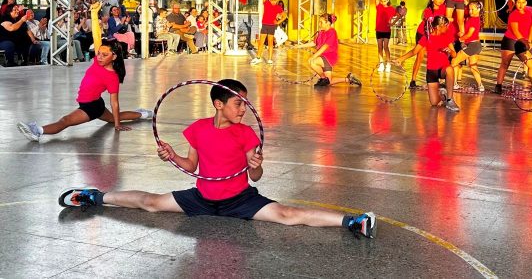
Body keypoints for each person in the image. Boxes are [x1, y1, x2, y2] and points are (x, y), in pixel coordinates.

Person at [58, 79, 377, 239]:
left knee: (288, 214)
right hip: (202, 197)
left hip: (240, 199)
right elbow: (191, 167)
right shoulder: (197, 129)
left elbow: (256, 177)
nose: (243, 109)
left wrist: (256, 166)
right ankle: (93, 195)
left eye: (245, 105)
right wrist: (172, 157)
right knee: (150, 202)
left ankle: (353, 221)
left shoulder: (246, 134)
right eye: (238, 104)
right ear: (218, 104)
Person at [16, 1, 152, 142]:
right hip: (96, 102)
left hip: (91, 106)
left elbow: (115, 102)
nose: (99, 57)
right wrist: (93, 13)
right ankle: (143, 114)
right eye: (99, 53)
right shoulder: (98, 62)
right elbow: (96, 34)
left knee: (65, 121)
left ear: (114, 57)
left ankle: (37, 131)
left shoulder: (112, 77)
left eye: (104, 55)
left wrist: (118, 125)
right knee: (112, 118)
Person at [395, 15, 459, 112]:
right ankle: (444, 96)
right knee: (434, 103)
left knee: (450, 69)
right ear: (438, 27)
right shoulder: (427, 38)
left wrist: (450, 51)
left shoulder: (447, 37)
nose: (447, 27)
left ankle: (450, 100)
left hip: (443, 69)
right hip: (431, 71)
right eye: (445, 25)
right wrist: (400, 59)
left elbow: (454, 55)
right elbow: (414, 51)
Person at [295, 14, 361, 87]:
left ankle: (323, 78)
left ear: (328, 23)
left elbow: (325, 47)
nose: (319, 24)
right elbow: (314, 43)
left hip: (329, 57)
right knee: (329, 81)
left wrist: (313, 56)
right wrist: (299, 46)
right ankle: (349, 79)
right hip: (323, 57)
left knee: (312, 61)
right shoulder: (320, 32)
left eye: (321, 22)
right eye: (319, 22)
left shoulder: (332, 32)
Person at [494, 0, 532, 94]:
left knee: (531, 64)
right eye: (518, 2)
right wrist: (526, 43)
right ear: (515, 3)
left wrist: (531, 41)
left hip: (523, 41)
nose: (521, 4)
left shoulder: (530, 11)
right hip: (511, 40)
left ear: (526, 3)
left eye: (523, 2)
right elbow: (516, 32)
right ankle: (498, 86)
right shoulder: (513, 14)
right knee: (505, 63)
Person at [408, 0, 447, 89]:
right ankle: (413, 80)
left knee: (437, 56)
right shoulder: (428, 10)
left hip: (434, 36)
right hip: (423, 34)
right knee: (420, 56)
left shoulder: (444, 7)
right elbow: (430, 25)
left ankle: (436, 79)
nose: (440, 0)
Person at [451, 1, 484, 92]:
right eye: (469, 9)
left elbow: (469, 34)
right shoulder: (471, 18)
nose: (470, 11)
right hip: (476, 45)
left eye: (472, 9)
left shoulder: (474, 20)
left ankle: (454, 84)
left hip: (472, 46)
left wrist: (461, 38)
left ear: (478, 9)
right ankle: (481, 85)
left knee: (454, 62)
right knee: (473, 67)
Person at [251, 0, 286, 65]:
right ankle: (258, 58)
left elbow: (285, 16)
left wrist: (278, 22)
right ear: (270, 0)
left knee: (270, 42)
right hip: (264, 25)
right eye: (272, 0)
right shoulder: (266, 3)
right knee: (261, 42)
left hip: (271, 26)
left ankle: (270, 59)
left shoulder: (278, 7)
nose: (273, 1)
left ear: (276, 0)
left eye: (275, 0)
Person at [372, 0, 396, 72]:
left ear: (388, 1)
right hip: (379, 30)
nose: (383, 2)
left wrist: (393, 23)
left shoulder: (391, 9)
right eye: (382, 1)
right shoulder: (379, 7)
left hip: (386, 30)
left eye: (385, 1)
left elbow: (399, 15)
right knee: (379, 48)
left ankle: (388, 64)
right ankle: (381, 64)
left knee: (386, 47)